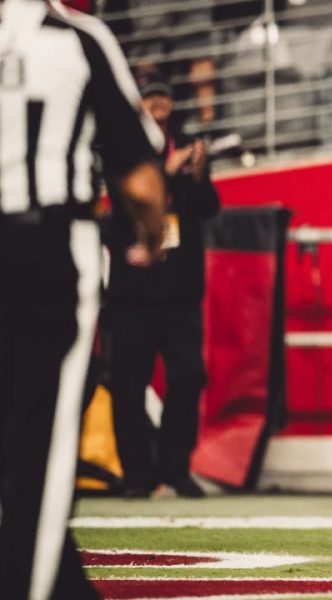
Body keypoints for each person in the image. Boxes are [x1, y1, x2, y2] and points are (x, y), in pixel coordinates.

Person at [0, 0, 166, 597]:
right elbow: (142, 181)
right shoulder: (76, 38)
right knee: (39, 442)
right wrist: (155, 236)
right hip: (44, 248)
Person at [105, 68, 220, 499]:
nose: (159, 106)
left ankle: (175, 467)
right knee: (128, 382)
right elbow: (122, 204)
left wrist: (196, 175)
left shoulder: (184, 146)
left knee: (189, 376)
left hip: (180, 288)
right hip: (133, 289)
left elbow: (209, 209)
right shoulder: (120, 148)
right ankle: (137, 474)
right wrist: (165, 174)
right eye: (151, 99)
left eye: (164, 99)